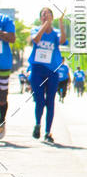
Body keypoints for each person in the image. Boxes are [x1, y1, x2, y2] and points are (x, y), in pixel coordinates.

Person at [29, 8, 67, 143]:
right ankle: (37, 124)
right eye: (43, 15)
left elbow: (62, 40)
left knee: (50, 101)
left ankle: (48, 132)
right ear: (41, 18)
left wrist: (61, 23)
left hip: (52, 71)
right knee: (39, 100)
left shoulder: (56, 33)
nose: (46, 17)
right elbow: (36, 39)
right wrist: (45, 25)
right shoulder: (35, 30)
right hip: (37, 70)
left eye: (48, 14)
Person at [0, 12, 16, 139]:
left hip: (2, 64)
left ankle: (1, 121)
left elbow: (12, 38)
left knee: (2, 99)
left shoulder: (5, 19)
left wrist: (1, 33)